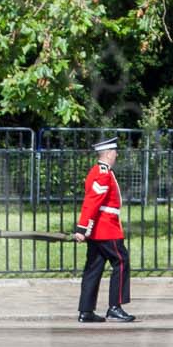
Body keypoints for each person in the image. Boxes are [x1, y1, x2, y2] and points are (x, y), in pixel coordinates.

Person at [73, 136, 136, 323]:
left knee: (94, 268)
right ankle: (115, 307)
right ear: (108, 154)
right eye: (115, 152)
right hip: (106, 228)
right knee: (121, 262)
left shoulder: (99, 171)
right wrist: (82, 228)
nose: (116, 155)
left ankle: (86, 311)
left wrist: (85, 228)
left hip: (98, 229)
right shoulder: (103, 173)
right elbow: (93, 201)